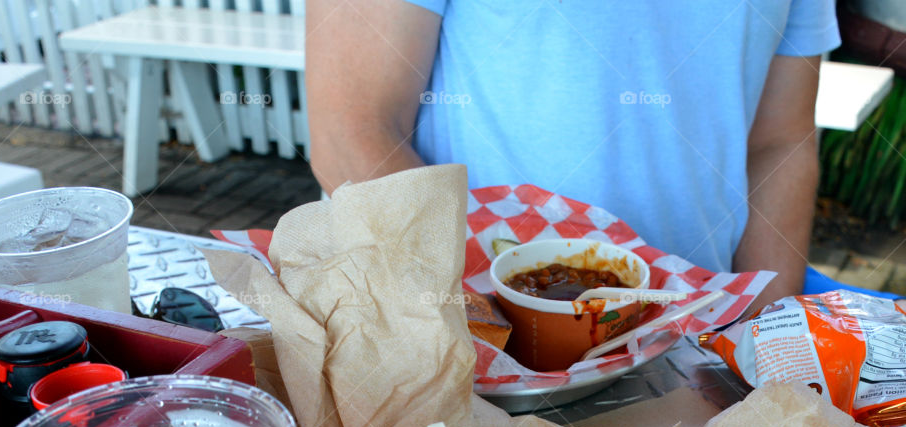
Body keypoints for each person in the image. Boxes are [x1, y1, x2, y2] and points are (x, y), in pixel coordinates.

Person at [305, 1, 840, 301]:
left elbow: (780, 143)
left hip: (694, 336)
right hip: (466, 341)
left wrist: (762, 338)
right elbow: (353, 132)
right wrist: (495, 325)